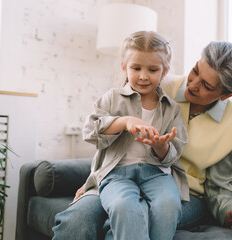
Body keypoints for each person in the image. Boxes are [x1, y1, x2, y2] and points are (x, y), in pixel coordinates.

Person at [53, 40, 232, 240]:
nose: (192, 85)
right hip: (119, 177)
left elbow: (219, 184)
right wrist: (94, 177)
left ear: (226, 95)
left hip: (182, 193)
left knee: (133, 221)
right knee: (76, 221)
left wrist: (229, 210)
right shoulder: (156, 80)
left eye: (206, 86)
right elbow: (111, 127)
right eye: (195, 71)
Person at [53, 31, 189, 240]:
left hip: (156, 175)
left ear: (164, 71)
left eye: (152, 69)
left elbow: (174, 154)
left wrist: (160, 146)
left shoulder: (171, 109)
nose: (143, 76)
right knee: (123, 206)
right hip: (117, 175)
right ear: (125, 67)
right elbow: (90, 130)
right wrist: (124, 122)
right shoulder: (112, 98)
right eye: (136, 68)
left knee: (169, 205)